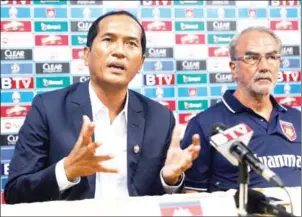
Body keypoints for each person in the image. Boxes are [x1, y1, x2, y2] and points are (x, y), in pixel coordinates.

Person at [4, 11, 200, 204]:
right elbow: (15, 193)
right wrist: (67, 171)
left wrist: (168, 180)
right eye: (108, 40)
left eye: (131, 44)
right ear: (86, 55)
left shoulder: (160, 118)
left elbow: (161, 201)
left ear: (141, 63)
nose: (119, 51)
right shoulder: (49, 108)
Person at [181, 26, 301, 193]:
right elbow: (192, 195)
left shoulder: (297, 119)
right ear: (233, 68)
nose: (264, 66)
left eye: (272, 57)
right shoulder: (204, 124)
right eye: (252, 58)